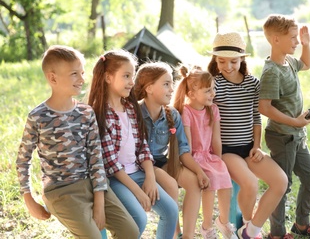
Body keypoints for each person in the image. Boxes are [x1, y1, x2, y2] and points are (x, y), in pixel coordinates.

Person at [15, 45, 139, 239]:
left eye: (82, 72)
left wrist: (99, 201)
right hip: (60, 192)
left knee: (130, 231)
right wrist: (29, 199)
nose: (82, 79)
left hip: (93, 185)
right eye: (74, 74)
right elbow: (23, 160)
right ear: (52, 78)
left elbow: (95, 157)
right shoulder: (38, 117)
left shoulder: (86, 113)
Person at [87, 50, 178, 239]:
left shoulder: (130, 107)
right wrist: (138, 191)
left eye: (133, 75)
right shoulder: (100, 113)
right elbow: (110, 164)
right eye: (126, 76)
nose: (132, 82)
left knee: (170, 212)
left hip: (138, 172)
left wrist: (150, 177)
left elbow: (143, 147)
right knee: (139, 220)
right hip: (115, 179)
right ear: (108, 77)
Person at [207, 32, 288, 239]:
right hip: (226, 151)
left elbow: (256, 117)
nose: (228, 66)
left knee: (281, 181)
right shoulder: (213, 85)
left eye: (233, 61)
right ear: (215, 60)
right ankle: (246, 222)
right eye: (221, 61)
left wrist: (257, 146)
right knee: (251, 183)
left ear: (242, 59)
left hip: (249, 148)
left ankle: (252, 230)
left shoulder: (253, 83)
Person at [259, 14, 310, 239]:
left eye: (297, 38)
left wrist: (306, 44)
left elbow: (306, 63)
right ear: (276, 39)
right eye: (293, 38)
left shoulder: (289, 62)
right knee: (282, 186)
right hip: (282, 137)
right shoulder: (271, 71)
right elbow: (264, 108)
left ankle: (301, 225)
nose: (296, 42)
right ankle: (277, 233)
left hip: (297, 135)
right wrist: (294, 121)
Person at [134, 62, 210, 239]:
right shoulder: (135, 112)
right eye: (166, 84)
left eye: (171, 84)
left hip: (161, 162)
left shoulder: (172, 114)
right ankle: (173, 233)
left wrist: (199, 171)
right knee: (169, 184)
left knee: (194, 181)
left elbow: (183, 150)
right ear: (149, 88)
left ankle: (187, 236)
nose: (171, 89)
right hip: (139, 165)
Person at [173, 65, 238, 239]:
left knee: (224, 176)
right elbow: (186, 144)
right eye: (208, 90)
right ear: (192, 94)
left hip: (209, 155)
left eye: (213, 89)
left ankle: (223, 221)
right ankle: (207, 227)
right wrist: (201, 164)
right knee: (210, 180)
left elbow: (216, 139)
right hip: (192, 157)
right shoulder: (186, 112)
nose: (213, 93)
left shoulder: (213, 109)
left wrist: (219, 159)